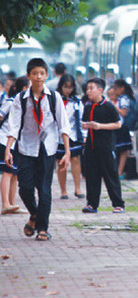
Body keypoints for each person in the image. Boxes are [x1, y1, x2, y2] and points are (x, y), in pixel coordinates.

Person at [5, 58, 71, 241]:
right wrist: (8, 149)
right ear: (28, 76)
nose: (38, 77)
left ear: (47, 75)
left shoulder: (54, 97)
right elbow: (14, 125)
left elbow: (63, 125)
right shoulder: (21, 99)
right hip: (26, 148)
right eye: (34, 74)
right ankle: (34, 214)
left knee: (44, 189)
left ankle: (43, 228)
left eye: (42, 73)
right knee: (24, 188)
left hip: (47, 149)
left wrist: (67, 151)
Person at [81, 78, 125, 213]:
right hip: (91, 146)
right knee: (92, 176)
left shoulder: (108, 106)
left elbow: (118, 124)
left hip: (106, 146)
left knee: (110, 175)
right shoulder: (88, 106)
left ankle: (118, 203)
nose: (88, 91)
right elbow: (84, 123)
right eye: (87, 88)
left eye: (91, 88)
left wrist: (100, 126)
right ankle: (92, 204)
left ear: (100, 90)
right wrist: (86, 126)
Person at [0, 76, 29, 215]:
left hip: (15, 143)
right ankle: (5, 203)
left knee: (14, 173)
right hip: (4, 141)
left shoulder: (24, 104)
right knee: (7, 172)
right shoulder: (11, 103)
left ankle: (12, 204)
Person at [56, 74, 85, 200]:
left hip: (73, 135)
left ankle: (77, 188)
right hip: (58, 136)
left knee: (75, 160)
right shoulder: (55, 100)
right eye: (65, 87)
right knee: (61, 163)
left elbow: (81, 119)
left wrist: (84, 136)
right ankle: (63, 191)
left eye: (70, 87)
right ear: (61, 86)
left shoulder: (77, 102)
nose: (68, 89)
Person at [113, 79, 134, 179]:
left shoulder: (123, 99)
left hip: (121, 128)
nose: (115, 91)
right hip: (120, 128)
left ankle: (119, 172)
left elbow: (123, 113)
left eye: (116, 89)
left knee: (122, 151)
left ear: (122, 88)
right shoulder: (122, 98)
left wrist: (114, 107)